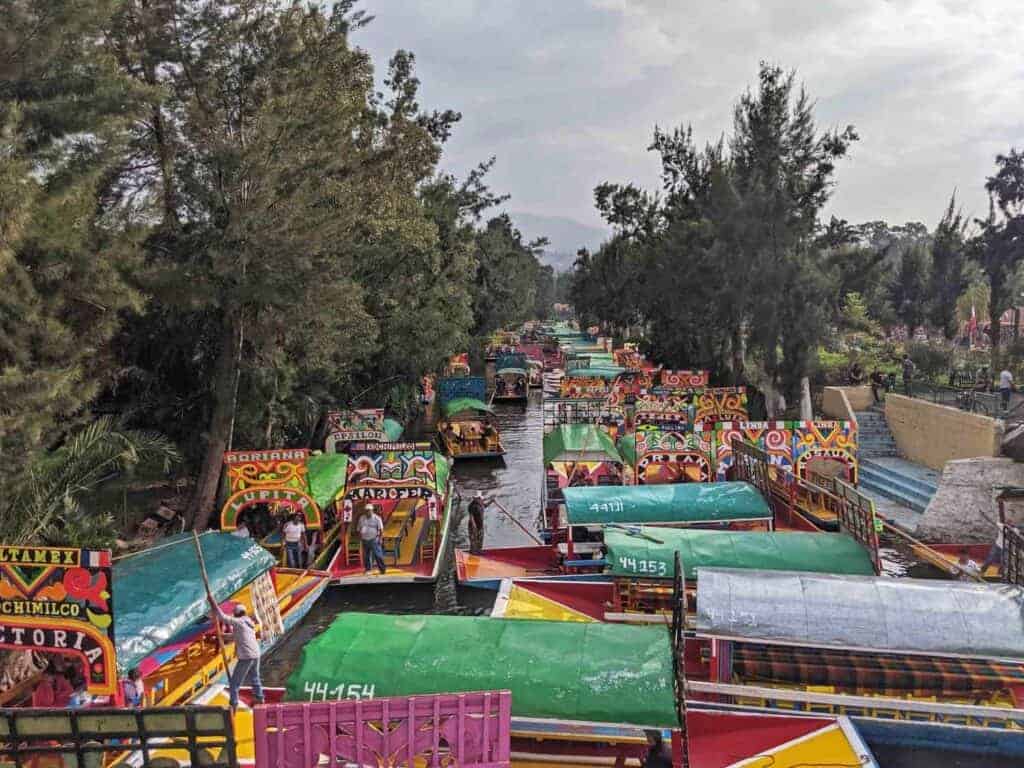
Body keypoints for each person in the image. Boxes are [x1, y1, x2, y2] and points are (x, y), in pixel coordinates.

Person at [210, 601, 263, 710]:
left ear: (237, 614)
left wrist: (213, 603)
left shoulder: (239, 622)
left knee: (234, 683)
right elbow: (236, 636)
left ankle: (233, 705)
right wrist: (221, 636)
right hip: (256, 654)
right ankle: (259, 698)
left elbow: (223, 617)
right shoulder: (249, 624)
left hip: (247, 656)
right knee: (255, 678)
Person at [358, 504, 386, 575]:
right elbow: (359, 528)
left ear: (372, 511)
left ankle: (382, 570)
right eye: (366, 511)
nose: (368, 512)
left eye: (369, 511)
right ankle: (368, 570)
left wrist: (380, 539)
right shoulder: (361, 518)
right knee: (366, 556)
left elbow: (381, 530)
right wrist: (360, 537)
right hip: (365, 540)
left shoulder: (377, 518)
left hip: (374, 539)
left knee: (378, 555)